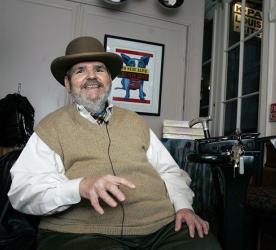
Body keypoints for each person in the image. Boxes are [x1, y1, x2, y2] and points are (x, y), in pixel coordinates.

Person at [8, 36, 221, 250]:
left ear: (110, 78)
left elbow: (170, 172)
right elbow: (22, 191)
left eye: (99, 69)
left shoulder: (135, 122)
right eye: (80, 70)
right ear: (67, 83)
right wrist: (79, 187)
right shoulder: (50, 128)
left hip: (160, 229)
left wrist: (184, 208)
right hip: (80, 233)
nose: (92, 76)